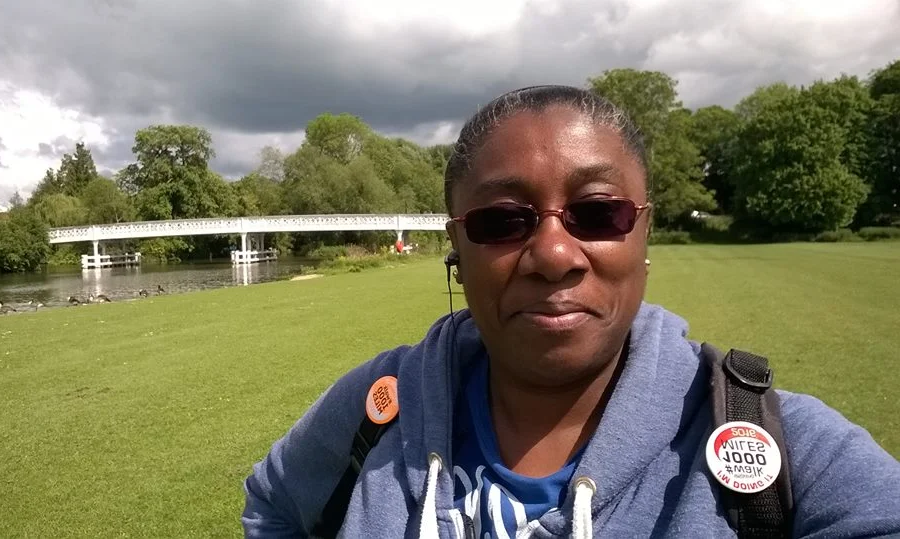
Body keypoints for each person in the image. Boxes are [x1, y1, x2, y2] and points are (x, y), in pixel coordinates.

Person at [241, 86, 900, 538]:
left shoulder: (772, 446)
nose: (554, 255)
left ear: (643, 236)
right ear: (456, 252)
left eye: (598, 212)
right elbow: (272, 504)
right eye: (502, 220)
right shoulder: (380, 408)